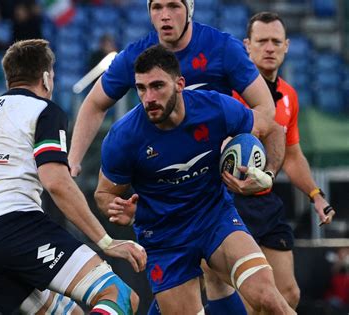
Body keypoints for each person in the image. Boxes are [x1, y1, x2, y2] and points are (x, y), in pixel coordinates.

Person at [0, 39, 147, 315]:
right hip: (17, 228)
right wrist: (107, 241)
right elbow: (56, 182)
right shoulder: (43, 111)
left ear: (10, 77)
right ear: (46, 78)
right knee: (120, 296)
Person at [95, 44, 295, 314]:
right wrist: (118, 208)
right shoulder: (123, 137)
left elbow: (272, 131)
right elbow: (104, 193)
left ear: (180, 84)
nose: (148, 98)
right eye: (141, 89)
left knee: (269, 299)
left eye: (157, 86)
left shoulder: (214, 108)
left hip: (215, 218)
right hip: (164, 238)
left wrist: (268, 176)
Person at [203, 12, 337, 313]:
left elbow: (292, 155)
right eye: (262, 41)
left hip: (266, 202)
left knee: (288, 293)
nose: (269, 48)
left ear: (287, 46)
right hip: (229, 203)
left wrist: (316, 195)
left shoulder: (289, 95)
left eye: (276, 41)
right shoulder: (228, 93)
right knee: (252, 299)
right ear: (247, 46)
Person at [69, 0, 276, 179]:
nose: (165, 16)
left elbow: (265, 106)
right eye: (157, 7)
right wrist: (74, 160)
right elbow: (95, 104)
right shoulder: (135, 56)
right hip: (161, 172)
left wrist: (236, 138)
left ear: (189, 9)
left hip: (216, 170)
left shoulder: (223, 48)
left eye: (174, 6)